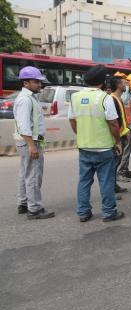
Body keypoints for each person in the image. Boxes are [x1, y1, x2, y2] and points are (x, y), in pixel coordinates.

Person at [69, 65, 125, 222]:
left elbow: (72, 121)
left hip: (84, 147)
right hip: (104, 148)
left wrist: (82, 135)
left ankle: (83, 213)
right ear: (103, 81)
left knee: (84, 181)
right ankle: (108, 213)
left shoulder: (75, 97)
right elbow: (113, 124)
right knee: (106, 181)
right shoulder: (105, 98)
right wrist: (118, 142)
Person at [13, 66, 55, 220]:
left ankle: (23, 203)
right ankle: (35, 209)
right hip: (30, 141)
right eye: (36, 82)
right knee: (33, 175)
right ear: (26, 83)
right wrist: (31, 145)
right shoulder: (25, 100)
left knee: (25, 173)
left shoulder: (30, 97)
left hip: (28, 141)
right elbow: (24, 126)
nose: (40, 85)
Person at [109, 75, 130, 194]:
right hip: (116, 139)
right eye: (123, 83)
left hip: (121, 135)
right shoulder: (112, 99)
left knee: (116, 164)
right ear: (118, 85)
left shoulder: (118, 98)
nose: (125, 85)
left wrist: (125, 132)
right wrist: (117, 140)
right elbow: (114, 122)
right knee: (113, 164)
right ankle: (111, 189)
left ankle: (113, 186)